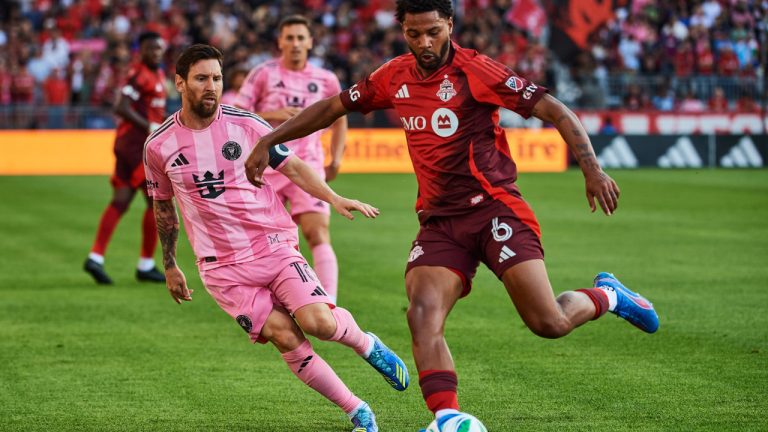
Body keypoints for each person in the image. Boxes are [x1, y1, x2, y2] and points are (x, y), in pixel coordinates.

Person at [243, 1, 659, 429]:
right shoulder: (393, 76)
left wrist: (592, 169)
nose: (424, 43)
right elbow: (331, 108)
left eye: (433, 32)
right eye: (413, 34)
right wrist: (269, 139)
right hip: (441, 222)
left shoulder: (477, 70)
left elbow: (554, 108)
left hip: (495, 208)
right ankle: (448, 417)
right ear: (402, 30)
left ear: (450, 26)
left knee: (548, 322)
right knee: (421, 312)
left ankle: (608, 296)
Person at [144, 44, 408, 432]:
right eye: (201, 79)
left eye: (216, 78)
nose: (211, 86)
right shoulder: (159, 146)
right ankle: (358, 411)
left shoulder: (247, 125)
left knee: (318, 321)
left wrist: (333, 198)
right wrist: (169, 264)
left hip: (272, 245)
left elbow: (293, 166)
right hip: (222, 268)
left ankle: (367, 345)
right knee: (285, 336)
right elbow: (163, 208)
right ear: (180, 82)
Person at [235, 15, 347, 304]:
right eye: (290, 38)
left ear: (310, 42)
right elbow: (238, 111)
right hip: (267, 166)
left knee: (316, 231)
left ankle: (329, 302)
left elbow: (339, 119)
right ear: (280, 42)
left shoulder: (325, 79)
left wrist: (336, 157)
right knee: (266, 241)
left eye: (301, 38)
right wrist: (273, 115)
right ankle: (274, 299)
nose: (295, 44)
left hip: (307, 163)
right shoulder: (262, 73)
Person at [83, 32, 168, 285]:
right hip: (135, 146)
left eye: (159, 48)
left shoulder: (159, 75)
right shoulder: (137, 74)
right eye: (151, 48)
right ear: (139, 50)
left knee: (121, 200)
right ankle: (145, 264)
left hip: (133, 145)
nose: (156, 53)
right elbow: (121, 107)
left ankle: (95, 257)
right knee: (158, 200)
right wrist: (151, 127)